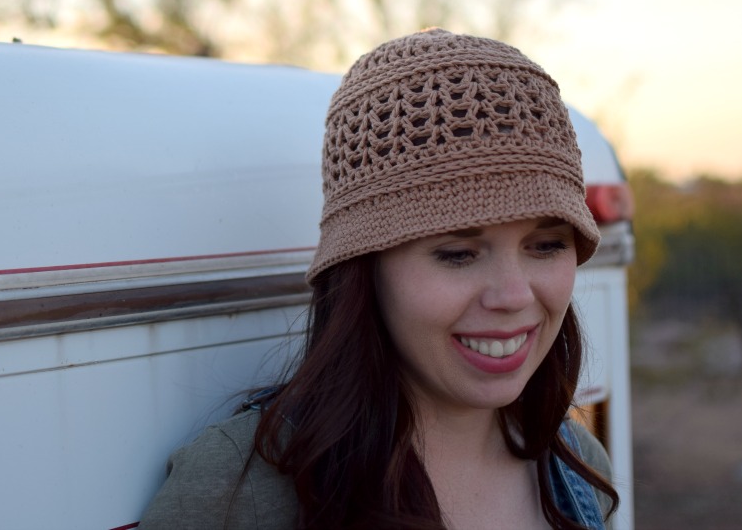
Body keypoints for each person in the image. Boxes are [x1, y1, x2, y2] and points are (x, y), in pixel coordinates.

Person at [138, 29, 619, 530]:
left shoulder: (576, 465)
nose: (514, 295)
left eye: (547, 246)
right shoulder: (239, 492)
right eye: (457, 254)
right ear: (364, 267)